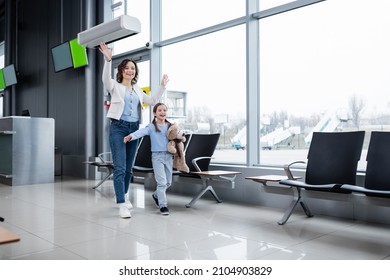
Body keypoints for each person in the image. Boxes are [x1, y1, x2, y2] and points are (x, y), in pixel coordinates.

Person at [99, 42, 169, 218]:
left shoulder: (137, 89)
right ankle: (121, 203)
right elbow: (105, 79)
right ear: (122, 70)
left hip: (133, 129)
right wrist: (108, 60)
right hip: (118, 128)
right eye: (127, 68)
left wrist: (162, 86)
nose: (130, 71)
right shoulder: (115, 85)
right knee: (120, 167)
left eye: (133, 68)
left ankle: (122, 194)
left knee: (129, 168)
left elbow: (153, 101)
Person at [123, 103, 173, 216]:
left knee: (168, 182)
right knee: (162, 183)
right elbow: (140, 132)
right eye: (159, 110)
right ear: (155, 113)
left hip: (169, 156)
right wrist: (130, 136)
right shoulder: (151, 127)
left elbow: (177, 136)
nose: (162, 112)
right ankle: (163, 205)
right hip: (157, 157)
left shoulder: (170, 126)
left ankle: (156, 195)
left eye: (164, 110)